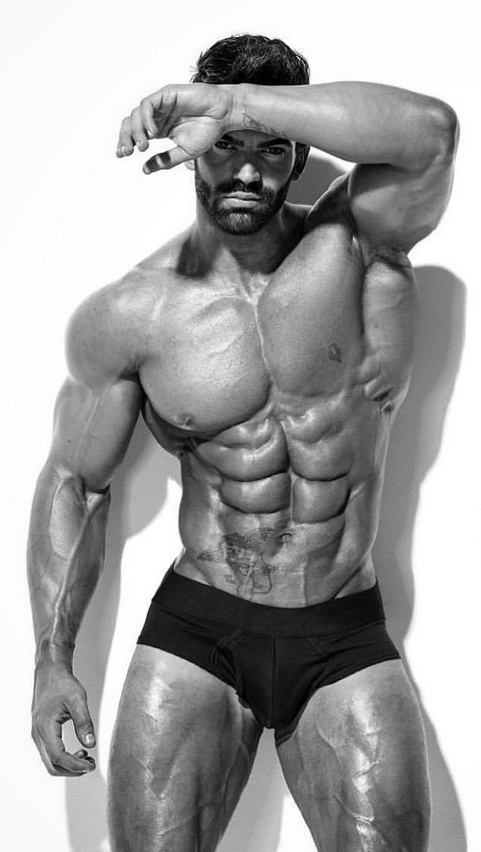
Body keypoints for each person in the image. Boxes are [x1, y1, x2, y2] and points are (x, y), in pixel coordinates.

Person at [28, 33, 458, 852]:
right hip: (197, 634)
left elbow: (430, 134)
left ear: (300, 156)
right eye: (225, 146)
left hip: (341, 632)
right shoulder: (131, 313)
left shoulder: (361, 249)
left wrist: (230, 106)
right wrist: (52, 660)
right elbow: (77, 484)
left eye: (271, 148)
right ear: (191, 152)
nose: (247, 171)